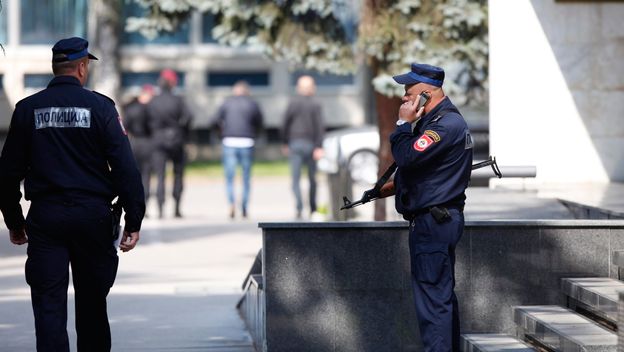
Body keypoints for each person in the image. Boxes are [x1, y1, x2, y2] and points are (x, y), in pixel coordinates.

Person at [0, 37, 145, 351]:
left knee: (48, 306)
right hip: (92, 217)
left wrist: (14, 220)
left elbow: (7, 172)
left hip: (46, 218)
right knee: (93, 304)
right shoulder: (101, 107)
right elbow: (125, 167)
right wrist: (134, 220)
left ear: (56, 69)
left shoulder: (27, 109)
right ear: (82, 67)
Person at [374, 63, 473, 351]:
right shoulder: (438, 123)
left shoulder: (444, 126)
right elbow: (427, 173)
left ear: (427, 95)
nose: (404, 99)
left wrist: (403, 125)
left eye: (408, 93)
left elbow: (407, 157)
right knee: (439, 300)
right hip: (436, 221)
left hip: (434, 224)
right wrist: (387, 189)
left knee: (433, 305)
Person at [146, 69, 193, 219]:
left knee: (160, 176)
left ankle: (160, 208)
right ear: (172, 84)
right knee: (178, 174)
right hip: (176, 139)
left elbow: (146, 120)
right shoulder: (178, 100)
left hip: (158, 139)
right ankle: (177, 208)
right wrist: (183, 132)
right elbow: (189, 117)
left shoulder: (153, 101)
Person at [213, 80, 263, 219]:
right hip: (247, 141)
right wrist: (254, 135)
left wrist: (221, 135)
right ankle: (245, 207)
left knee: (230, 177)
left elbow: (214, 121)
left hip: (229, 141)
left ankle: (231, 203)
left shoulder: (227, 103)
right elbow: (260, 122)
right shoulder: (253, 104)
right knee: (246, 177)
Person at [281, 75, 325, 220]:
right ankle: (312, 208)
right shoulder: (315, 103)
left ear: (298, 88)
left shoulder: (292, 102)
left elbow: (285, 123)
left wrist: (285, 142)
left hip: (295, 143)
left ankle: (299, 207)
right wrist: (319, 146)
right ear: (312, 88)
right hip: (311, 145)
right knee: (312, 178)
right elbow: (320, 126)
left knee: (295, 178)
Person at [123, 84, 154, 209]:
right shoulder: (150, 110)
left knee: (135, 175)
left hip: (134, 143)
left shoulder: (130, 109)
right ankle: (145, 202)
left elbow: (124, 128)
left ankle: (135, 204)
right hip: (147, 143)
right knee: (146, 175)